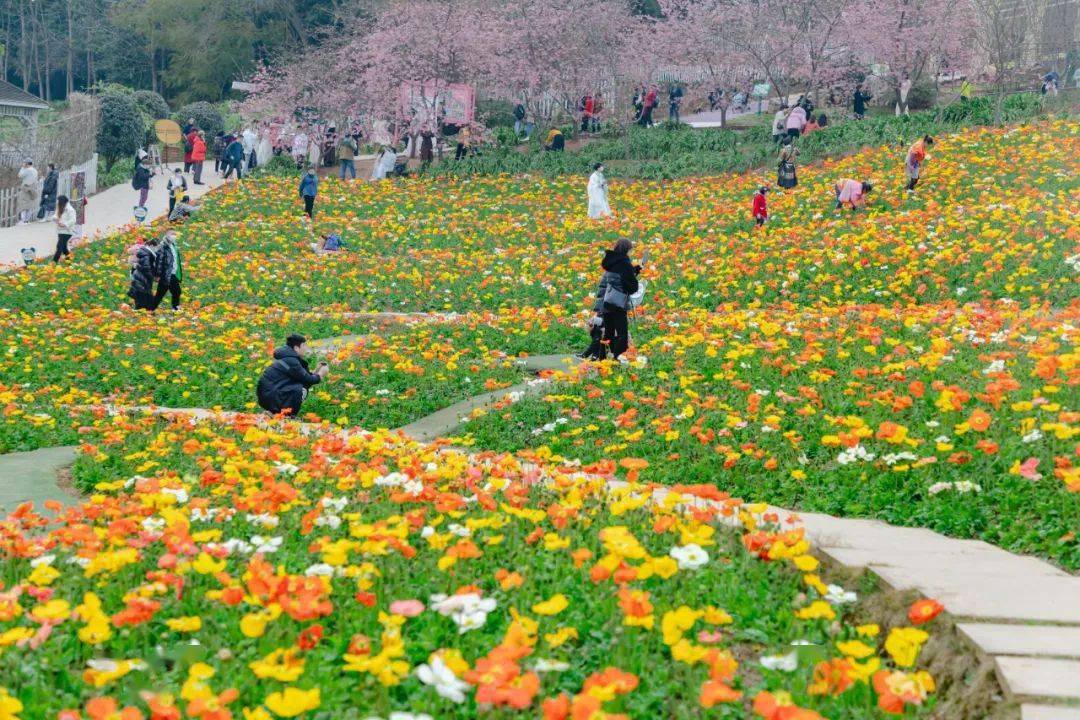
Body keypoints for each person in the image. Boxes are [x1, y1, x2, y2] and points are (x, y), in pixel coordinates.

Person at [589, 239, 640, 361]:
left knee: (608, 333)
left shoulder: (611, 262)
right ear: (627, 250)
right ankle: (618, 359)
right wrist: (634, 277)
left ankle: (603, 359)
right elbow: (631, 287)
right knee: (622, 334)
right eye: (631, 250)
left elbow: (618, 279)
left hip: (608, 302)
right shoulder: (625, 264)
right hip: (618, 304)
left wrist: (635, 270)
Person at [256, 334, 329, 416]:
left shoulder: (288, 358)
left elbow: (303, 377)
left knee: (300, 385)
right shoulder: (291, 360)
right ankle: (285, 415)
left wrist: (316, 371)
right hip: (272, 397)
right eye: (304, 345)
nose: (306, 348)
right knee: (302, 390)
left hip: (268, 395)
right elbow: (307, 380)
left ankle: (276, 413)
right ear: (296, 348)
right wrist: (321, 374)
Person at [151, 230, 183, 311]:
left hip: (172, 273)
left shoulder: (173, 246)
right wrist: (157, 275)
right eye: (172, 234)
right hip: (166, 273)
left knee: (160, 294)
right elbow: (159, 261)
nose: (174, 236)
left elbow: (175, 260)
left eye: (175, 234)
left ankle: (150, 309)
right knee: (176, 291)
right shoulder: (162, 246)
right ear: (166, 235)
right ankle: (175, 308)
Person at [128, 237, 160, 310]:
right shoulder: (146, 254)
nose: (158, 249)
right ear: (152, 246)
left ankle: (140, 311)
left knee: (141, 296)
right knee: (145, 296)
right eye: (157, 247)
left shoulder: (145, 252)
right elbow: (146, 267)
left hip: (140, 278)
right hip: (142, 278)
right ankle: (144, 312)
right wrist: (154, 276)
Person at [53, 195, 77, 263]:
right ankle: (69, 262)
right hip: (60, 230)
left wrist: (64, 224)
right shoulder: (60, 207)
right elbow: (55, 215)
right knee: (64, 248)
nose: (57, 204)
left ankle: (53, 263)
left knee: (59, 246)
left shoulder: (70, 210)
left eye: (58, 202)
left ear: (62, 202)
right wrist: (56, 219)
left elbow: (73, 220)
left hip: (67, 231)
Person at [16, 160, 39, 225]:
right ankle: (27, 220)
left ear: (26, 164)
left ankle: (23, 220)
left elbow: (19, 175)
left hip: (26, 188)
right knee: (30, 205)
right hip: (32, 188)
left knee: (23, 205)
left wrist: (22, 167)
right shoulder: (35, 170)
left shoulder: (27, 170)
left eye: (24, 163)